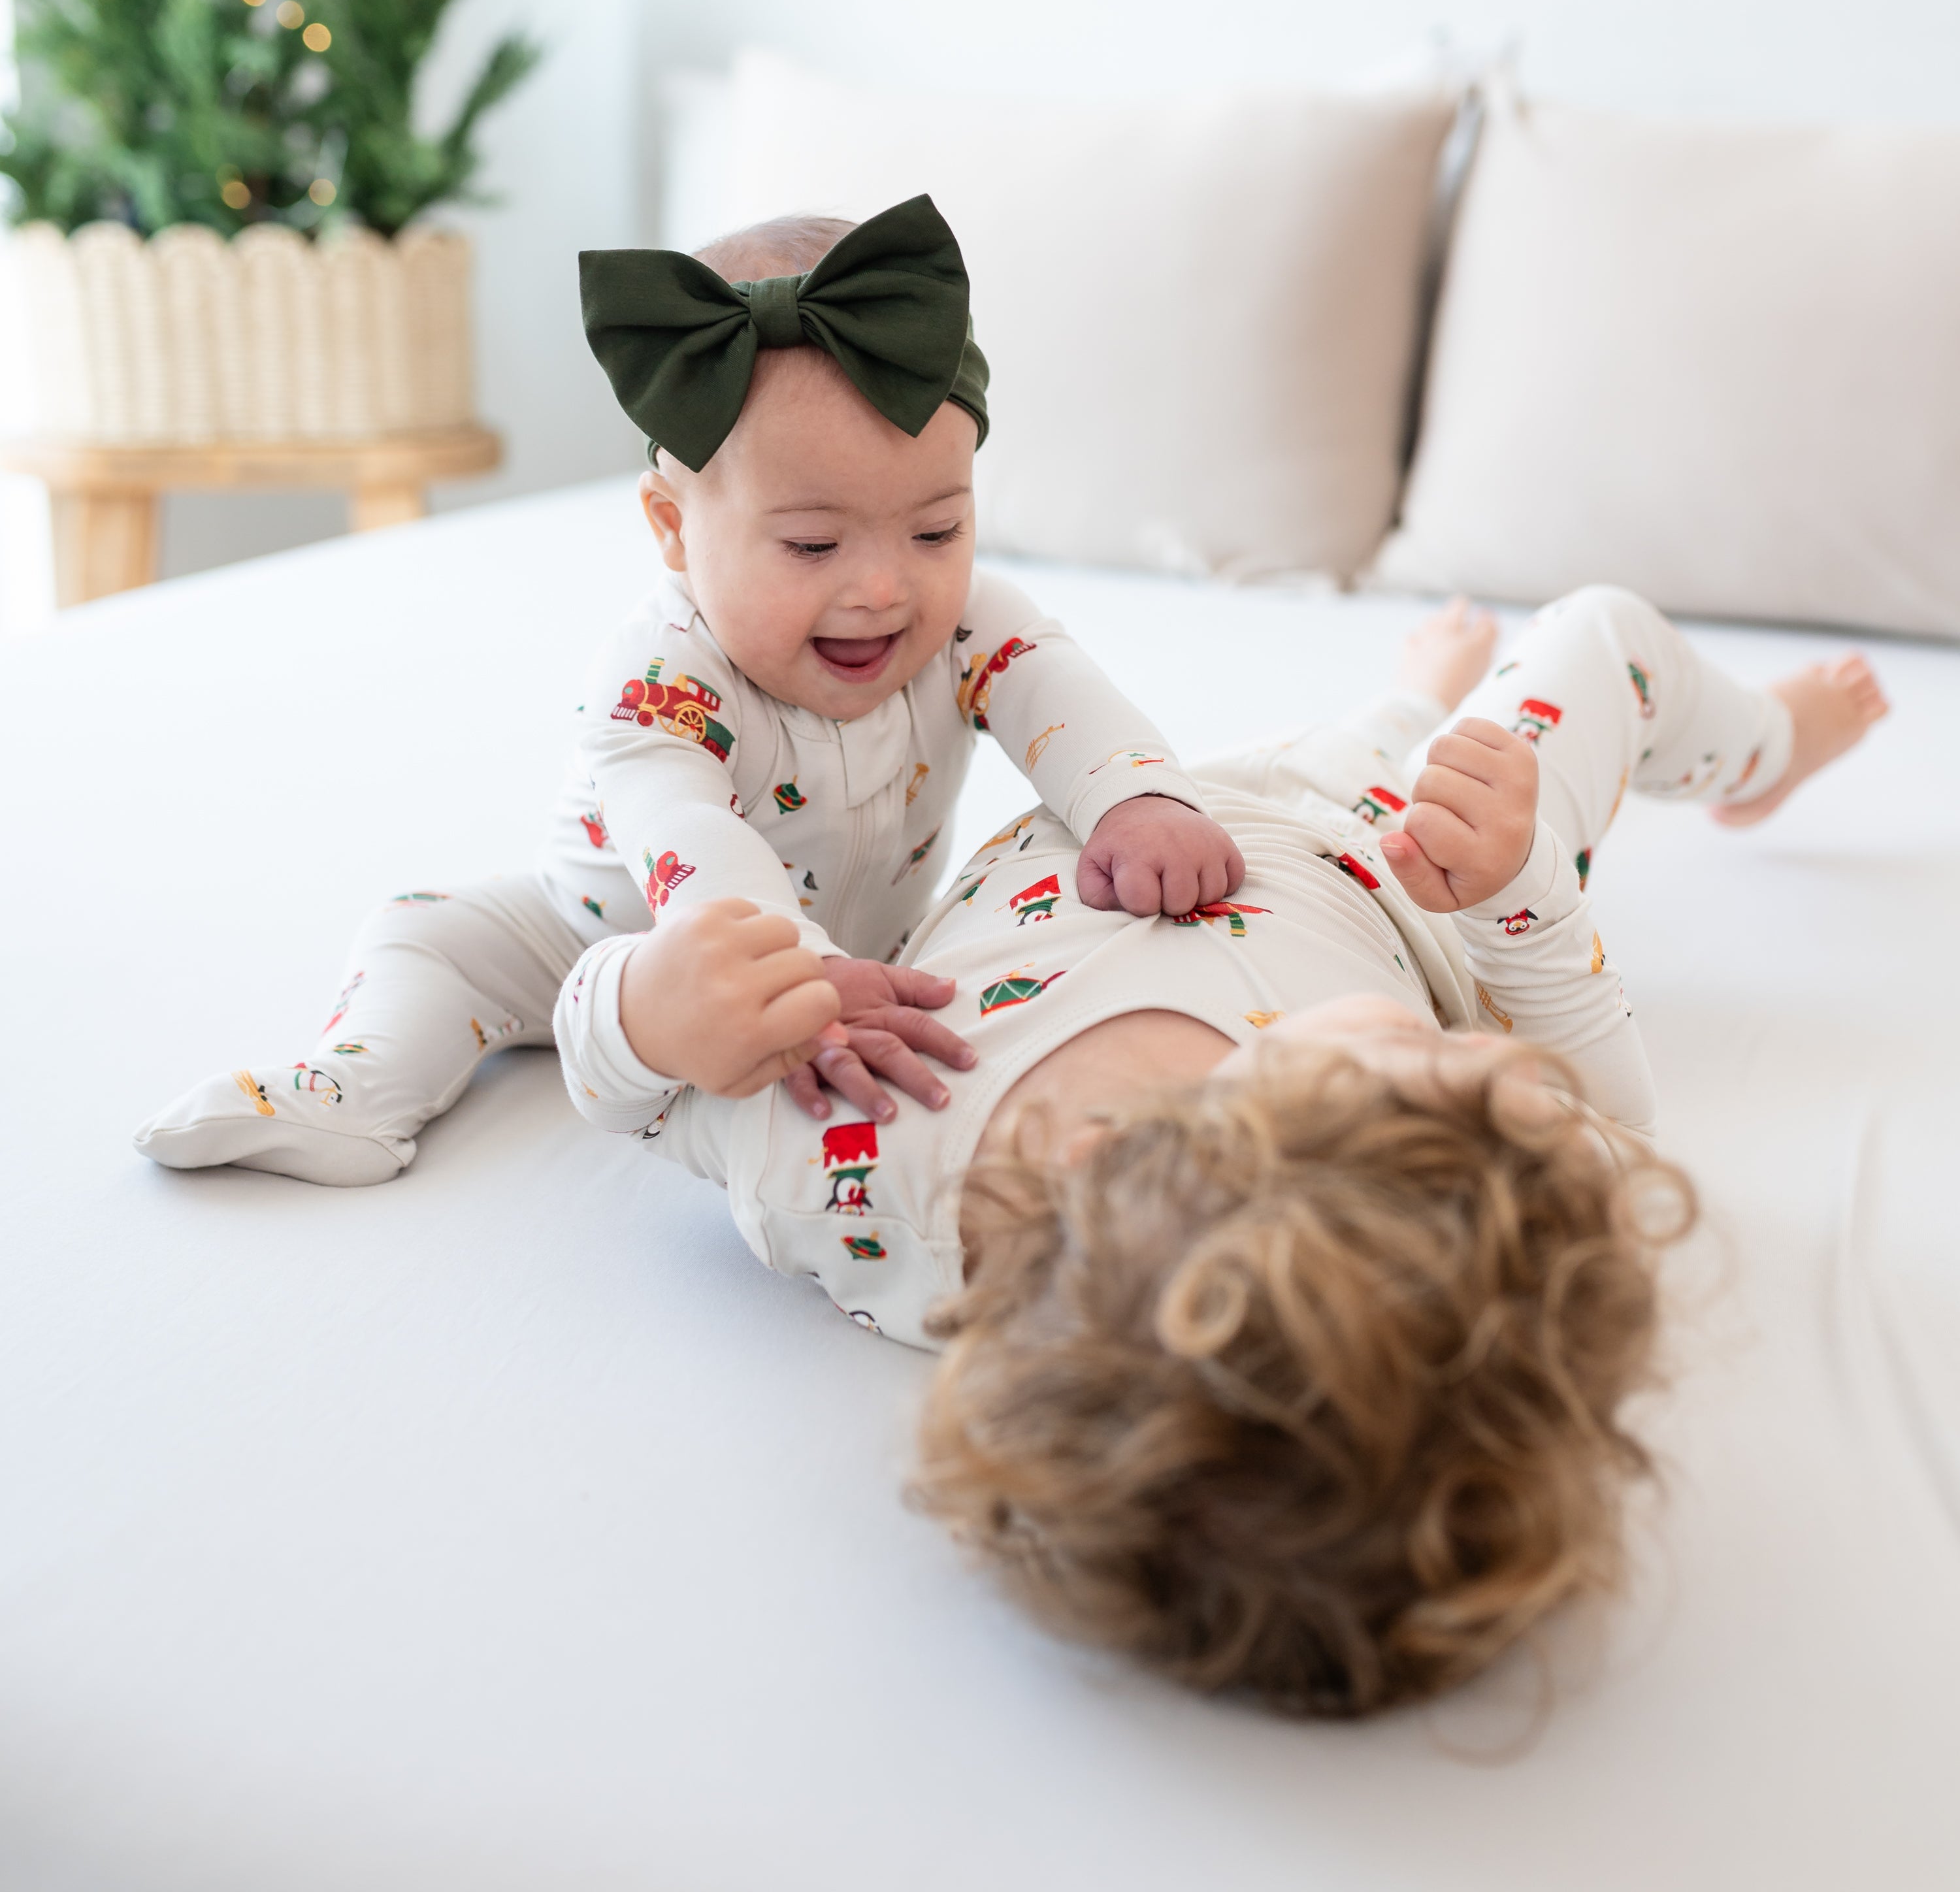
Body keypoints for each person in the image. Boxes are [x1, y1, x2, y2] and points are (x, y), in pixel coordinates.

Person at [557, 582, 1887, 1714]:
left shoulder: (863, 1163)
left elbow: (640, 1094)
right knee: (1602, 636)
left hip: (1171, 806)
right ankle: (1754, 754)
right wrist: (1524, 894)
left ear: (1205, 1149)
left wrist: (644, 1009)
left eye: (1437, 1069)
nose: (1505, 1071)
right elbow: (1615, 1122)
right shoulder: (1489, 1213)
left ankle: (1434, 708)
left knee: (1352, 746)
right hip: (1416, 863)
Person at [133, 198, 1241, 1185]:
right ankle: (355, 1089)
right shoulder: (658, 681)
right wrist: (796, 972)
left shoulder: (965, 619)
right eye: (812, 545)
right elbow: (690, 840)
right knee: (423, 936)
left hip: (876, 946)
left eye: (937, 529)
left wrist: (1137, 798)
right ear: (673, 530)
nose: (883, 588)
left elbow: (1059, 694)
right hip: (597, 937)